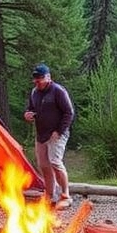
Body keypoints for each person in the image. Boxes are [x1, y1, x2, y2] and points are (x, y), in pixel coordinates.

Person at [24, 64, 75, 209]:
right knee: (44, 165)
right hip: (41, 134)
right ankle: (49, 195)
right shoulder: (34, 92)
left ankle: (65, 195)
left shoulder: (58, 91)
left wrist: (59, 131)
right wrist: (27, 114)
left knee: (55, 162)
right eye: (35, 78)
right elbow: (31, 108)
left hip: (57, 134)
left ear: (48, 77)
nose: (37, 81)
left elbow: (69, 113)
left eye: (40, 78)